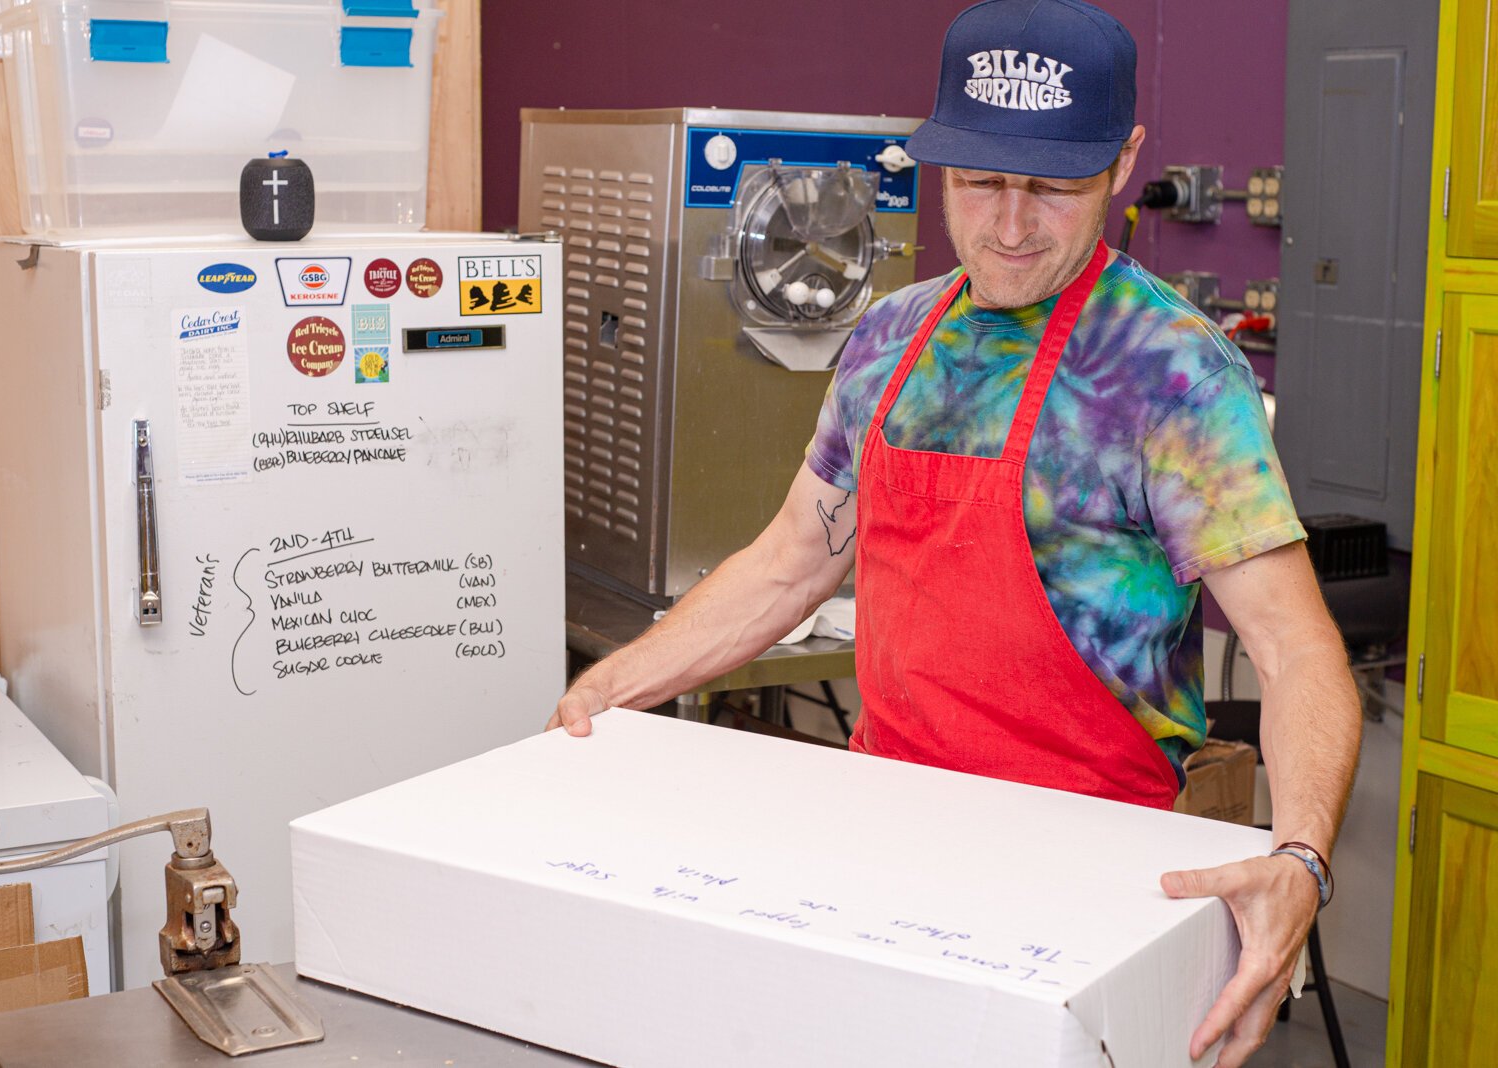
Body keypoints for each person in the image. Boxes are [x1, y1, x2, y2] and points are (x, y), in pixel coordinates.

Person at [549, 1, 1361, 1064]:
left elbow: (1299, 650)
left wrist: (1298, 859)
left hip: (1094, 869)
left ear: (1122, 164)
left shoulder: (1172, 373)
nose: (1009, 225)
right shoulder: (890, 334)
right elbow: (793, 559)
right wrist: (617, 684)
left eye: (1052, 189)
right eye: (979, 183)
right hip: (884, 835)